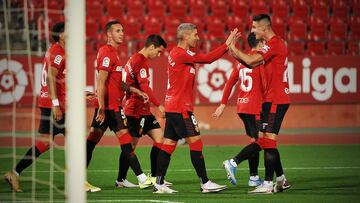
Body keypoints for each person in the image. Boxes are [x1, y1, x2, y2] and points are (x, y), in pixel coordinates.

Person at [153, 23, 239, 194]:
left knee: (169, 143)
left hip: (173, 106)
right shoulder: (180, 54)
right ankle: (205, 183)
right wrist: (227, 44)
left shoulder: (181, 54)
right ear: (185, 36)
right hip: (180, 108)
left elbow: (201, 57)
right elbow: (207, 59)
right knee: (196, 143)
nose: (198, 38)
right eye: (195, 34)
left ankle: (159, 183)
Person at [225, 14, 291, 194]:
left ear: (264, 28)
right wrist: (232, 49)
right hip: (272, 99)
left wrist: (231, 46)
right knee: (265, 141)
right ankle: (280, 179)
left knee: (268, 142)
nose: (252, 31)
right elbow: (249, 63)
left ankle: (268, 184)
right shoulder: (275, 44)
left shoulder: (274, 44)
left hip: (275, 99)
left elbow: (251, 60)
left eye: (254, 27)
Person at [85, 20, 151, 192]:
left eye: (122, 30)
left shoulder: (114, 53)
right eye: (117, 30)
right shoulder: (107, 53)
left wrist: (134, 90)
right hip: (110, 108)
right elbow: (101, 81)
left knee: (91, 141)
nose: (122, 33)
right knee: (125, 139)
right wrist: (100, 106)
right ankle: (141, 177)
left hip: (110, 106)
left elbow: (117, 83)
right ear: (109, 34)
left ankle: (82, 179)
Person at [4, 22, 67, 192]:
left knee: (45, 143)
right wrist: (55, 105)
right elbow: (50, 80)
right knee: (75, 141)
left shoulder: (55, 50)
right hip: (54, 105)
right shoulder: (58, 52)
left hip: (51, 103)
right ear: (61, 35)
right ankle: (78, 181)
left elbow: (60, 81)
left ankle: (14, 172)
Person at [118, 34, 174, 187]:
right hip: (134, 110)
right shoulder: (139, 61)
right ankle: (121, 179)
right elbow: (144, 87)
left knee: (159, 139)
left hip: (144, 110)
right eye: (159, 51)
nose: (159, 55)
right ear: (151, 47)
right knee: (131, 146)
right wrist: (159, 105)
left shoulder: (135, 59)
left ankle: (156, 177)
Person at [212, 32, 265, 187]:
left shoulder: (242, 60)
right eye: (264, 43)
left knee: (254, 140)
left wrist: (222, 104)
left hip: (242, 106)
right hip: (254, 106)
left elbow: (230, 83)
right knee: (264, 142)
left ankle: (254, 177)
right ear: (260, 44)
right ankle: (233, 162)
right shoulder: (260, 60)